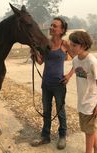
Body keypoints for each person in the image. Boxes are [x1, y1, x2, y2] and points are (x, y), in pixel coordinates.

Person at [30, 17, 74, 150]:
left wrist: (69, 75)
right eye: (51, 25)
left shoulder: (65, 44)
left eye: (55, 26)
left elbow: (78, 61)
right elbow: (40, 62)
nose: (51, 28)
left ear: (62, 30)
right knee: (46, 110)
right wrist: (34, 53)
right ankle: (45, 136)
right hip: (46, 83)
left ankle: (62, 136)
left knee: (61, 111)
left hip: (59, 84)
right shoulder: (46, 43)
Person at [64, 31, 97, 153]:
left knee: (88, 132)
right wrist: (69, 76)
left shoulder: (92, 62)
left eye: (74, 46)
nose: (70, 48)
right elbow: (75, 67)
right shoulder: (76, 60)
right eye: (70, 45)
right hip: (82, 101)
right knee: (90, 130)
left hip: (91, 103)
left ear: (83, 45)